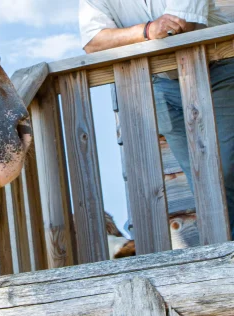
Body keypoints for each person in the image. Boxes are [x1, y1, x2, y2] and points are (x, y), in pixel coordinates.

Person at [80, 0, 234, 239]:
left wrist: (124, 36)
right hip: (161, 82)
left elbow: (181, 25)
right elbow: (93, 43)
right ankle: (225, 251)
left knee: (226, 166)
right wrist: (148, 30)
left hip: (218, 68)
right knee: (200, 177)